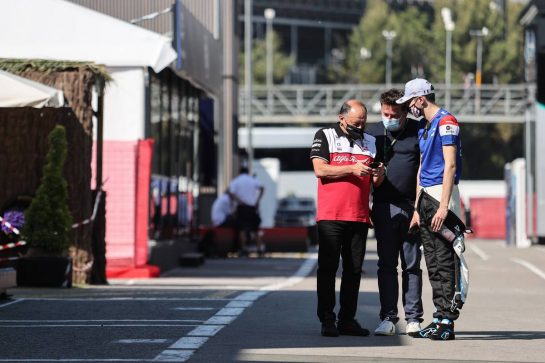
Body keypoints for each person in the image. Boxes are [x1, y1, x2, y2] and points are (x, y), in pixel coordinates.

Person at [310, 99, 385, 337]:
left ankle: (347, 319)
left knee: (354, 270)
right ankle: (327, 319)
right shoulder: (325, 135)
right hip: (331, 215)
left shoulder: (371, 141)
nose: (360, 127)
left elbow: (375, 182)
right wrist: (352, 168)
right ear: (342, 118)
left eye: (363, 122)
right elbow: (320, 170)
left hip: (359, 216)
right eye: (355, 123)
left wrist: (379, 173)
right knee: (328, 269)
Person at [396, 78, 463, 341]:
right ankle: (439, 318)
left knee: (445, 260)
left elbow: (450, 166)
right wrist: (416, 208)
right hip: (425, 196)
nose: (409, 107)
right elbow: (421, 168)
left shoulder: (447, 122)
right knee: (433, 260)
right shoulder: (425, 126)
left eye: (410, 102)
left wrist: (444, 206)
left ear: (421, 99)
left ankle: (447, 320)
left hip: (440, 195)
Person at [366, 89, 423, 337]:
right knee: (386, 265)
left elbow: (424, 170)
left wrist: (419, 210)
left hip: (411, 207)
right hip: (382, 206)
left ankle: (414, 318)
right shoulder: (373, 133)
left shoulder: (418, 131)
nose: (389, 117)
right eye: (385, 113)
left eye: (395, 114)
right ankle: (388, 317)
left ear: (406, 111)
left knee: (411, 265)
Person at [228, 167, 265, 256]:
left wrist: (239, 201)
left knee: (242, 229)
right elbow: (262, 188)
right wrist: (257, 201)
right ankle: (259, 248)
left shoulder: (236, 181)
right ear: (248, 172)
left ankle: (244, 248)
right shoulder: (252, 180)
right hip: (252, 207)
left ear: (239, 172)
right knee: (256, 229)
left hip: (242, 207)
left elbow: (230, 192)